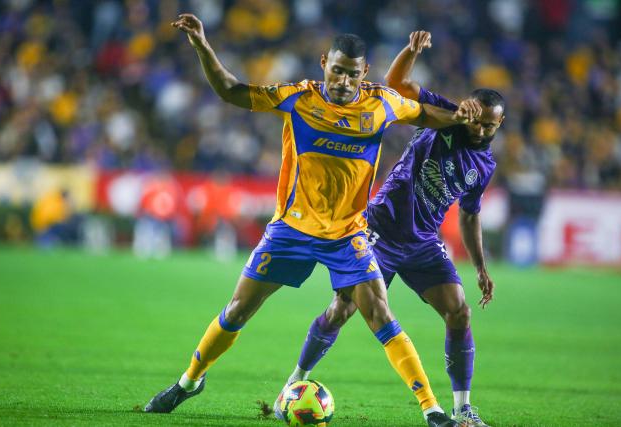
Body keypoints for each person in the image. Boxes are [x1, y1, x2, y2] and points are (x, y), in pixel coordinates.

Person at [145, 15, 481, 427]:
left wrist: (460, 117)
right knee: (237, 311)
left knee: (381, 314)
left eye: (352, 74)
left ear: (364, 74)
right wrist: (201, 43)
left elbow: (424, 114)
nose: (342, 81)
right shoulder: (299, 97)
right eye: (337, 70)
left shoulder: (382, 103)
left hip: (348, 234)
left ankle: (432, 410)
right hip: (291, 230)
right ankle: (188, 383)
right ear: (324, 63)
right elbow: (231, 91)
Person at [274, 31, 504, 427]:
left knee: (460, 312)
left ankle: (463, 408)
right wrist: (411, 51)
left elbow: (468, 215)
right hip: (379, 229)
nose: (480, 130)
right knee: (342, 309)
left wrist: (481, 266)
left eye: (489, 126)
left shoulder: (484, 167)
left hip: (423, 243)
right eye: (478, 121)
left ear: (499, 125)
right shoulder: (447, 118)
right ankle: (295, 383)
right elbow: (398, 86)